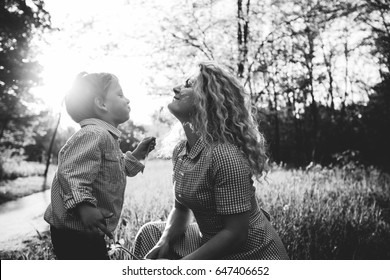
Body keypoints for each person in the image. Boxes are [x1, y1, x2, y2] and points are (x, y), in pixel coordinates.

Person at [132, 61, 289, 260]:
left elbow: (235, 235)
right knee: (151, 233)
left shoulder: (224, 156)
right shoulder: (181, 150)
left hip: (250, 255)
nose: (176, 88)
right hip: (209, 240)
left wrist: (180, 267)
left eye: (189, 84)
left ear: (207, 101)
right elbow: (181, 210)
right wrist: (164, 242)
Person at [44, 72, 156, 260]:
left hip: (88, 228)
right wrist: (85, 207)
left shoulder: (107, 137)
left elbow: (116, 170)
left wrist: (138, 154)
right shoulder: (94, 134)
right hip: (74, 230)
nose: (127, 100)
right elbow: (71, 173)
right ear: (101, 104)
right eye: (120, 95)